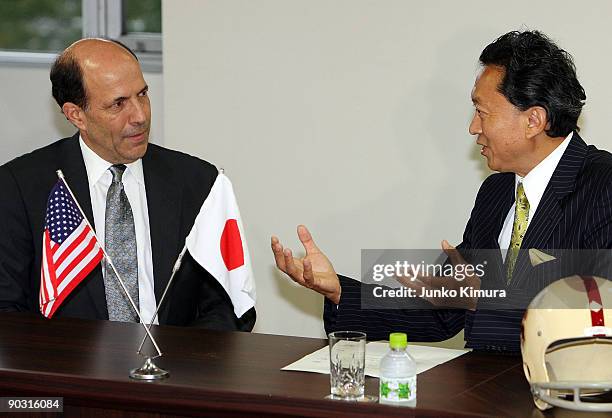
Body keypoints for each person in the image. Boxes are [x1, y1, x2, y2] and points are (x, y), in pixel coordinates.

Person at [271, 30, 612, 352]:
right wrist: (340, 291)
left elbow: (596, 319)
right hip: (483, 395)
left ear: (533, 121)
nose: (473, 127)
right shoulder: (497, 192)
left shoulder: (604, 188)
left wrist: (485, 298)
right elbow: (442, 312)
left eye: (482, 112)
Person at [0, 38, 255, 331]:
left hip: (177, 366)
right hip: (68, 370)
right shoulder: (20, 187)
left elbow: (227, 305)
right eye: (118, 104)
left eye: (142, 94)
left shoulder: (198, 182)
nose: (140, 116)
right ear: (76, 115)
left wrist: (181, 362)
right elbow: (7, 311)